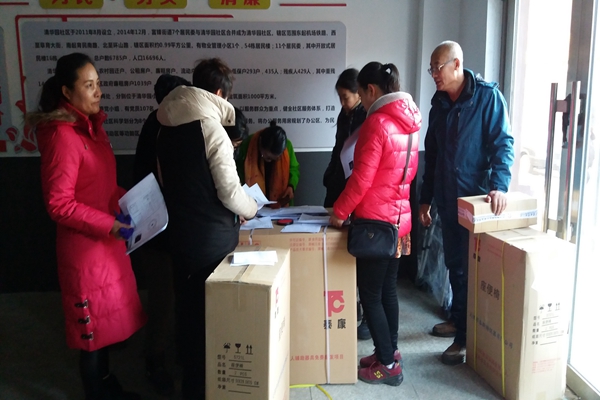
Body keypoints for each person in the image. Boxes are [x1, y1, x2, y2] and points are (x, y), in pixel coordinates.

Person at [26, 52, 146, 400]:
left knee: (106, 327)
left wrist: (131, 201)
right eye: (89, 85)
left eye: (98, 84)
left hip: (106, 245)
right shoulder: (62, 135)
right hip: (86, 250)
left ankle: (107, 384)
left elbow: (100, 187)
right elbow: (59, 203)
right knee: (92, 334)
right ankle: (96, 392)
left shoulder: (92, 128)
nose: (98, 92)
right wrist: (110, 225)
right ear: (67, 92)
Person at [155, 57, 258, 399]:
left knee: (187, 310)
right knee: (210, 318)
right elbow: (229, 191)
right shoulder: (210, 128)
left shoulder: (164, 124)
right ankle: (201, 388)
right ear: (219, 93)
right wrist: (251, 208)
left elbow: (165, 180)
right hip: (211, 241)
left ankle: (188, 377)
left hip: (178, 233)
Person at [419, 41, 514, 365]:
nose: (434, 74)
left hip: (476, 202)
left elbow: (503, 145)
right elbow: (432, 156)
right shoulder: (439, 104)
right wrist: (425, 200)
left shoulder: (487, 98)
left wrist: (499, 187)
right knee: (454, 265)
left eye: (438, 67)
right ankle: (459, 321)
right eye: (431, 68)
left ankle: (464, 339)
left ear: (456, 64)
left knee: (469, 271)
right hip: (448, 200)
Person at [329, 61, 421, 386]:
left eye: (361, 95)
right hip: (399, 222)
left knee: (369, 295)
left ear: (370, 90)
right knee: (387, 292)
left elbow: (361, 179)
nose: (362, 103)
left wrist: (339, 212)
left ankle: (387, 365)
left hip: (375, 224)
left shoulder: (377, 122)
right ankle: (389, 352)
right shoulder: (410, 121)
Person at [133, 73, 190, 396]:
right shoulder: (159, 130)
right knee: (162, 300)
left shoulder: (163, 126)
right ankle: (153, 361)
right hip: (156, 231)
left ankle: (174, 351)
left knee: (173, 297)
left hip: (172, 229)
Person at [322, 68, 371, 340]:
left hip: (357, 190)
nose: (342, 103)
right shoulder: (346, 116)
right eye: (340, 97)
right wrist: (330, 175)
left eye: (346, 97)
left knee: (359, 251)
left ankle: (361, 309)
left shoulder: (368, 117)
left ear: (359, 94)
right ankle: (345, 303)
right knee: (338, 245)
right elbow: (338, 148)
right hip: (339, 184)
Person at [236, 120, 300, 207]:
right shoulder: (248, 145)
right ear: (260, 143)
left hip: (280, 202)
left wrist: (291, 186)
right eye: (267, 157)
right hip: (251, 201)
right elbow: (238, 171)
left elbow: (294, 169)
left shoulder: (287, 146)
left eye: (275, 159)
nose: (269, 161)